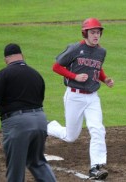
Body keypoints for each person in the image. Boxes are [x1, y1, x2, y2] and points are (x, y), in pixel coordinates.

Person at [47, 17, 114, 180]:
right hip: (74, 96)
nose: (96, 35)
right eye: (93, 32)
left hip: (92, 97)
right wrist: (74, 76)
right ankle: (47, 127)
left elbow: (97, 68)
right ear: (85, 33)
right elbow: (56, 66)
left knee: (97, 128)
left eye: (98, 32)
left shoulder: (101, 51)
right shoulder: (75, 48)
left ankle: (96, 167)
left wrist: (104, 79)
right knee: (71, 136)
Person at [0, 43, 56, 182]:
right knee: (37, 162)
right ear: (22, 56)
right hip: (40, 120)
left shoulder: (4, 74)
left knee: (16, 168)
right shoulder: (36, 74)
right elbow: (40, 99)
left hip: (18, 124)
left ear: (6, 59)